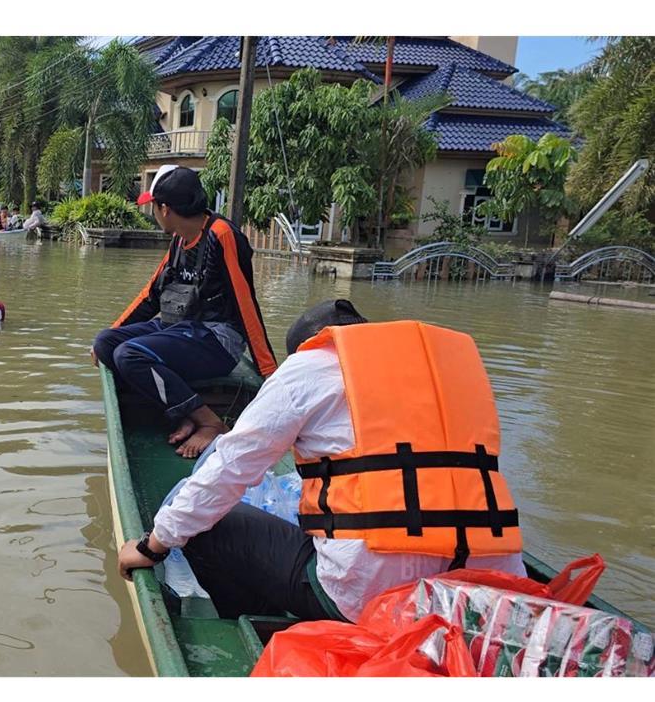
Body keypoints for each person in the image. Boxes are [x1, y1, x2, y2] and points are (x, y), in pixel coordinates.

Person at [117, 299, 526, 624]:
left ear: (312, 345)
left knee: (207, 526)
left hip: (368, 602)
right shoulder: (446, 374)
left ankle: (257, 620)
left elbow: (229, 467)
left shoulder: (309, 366)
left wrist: (154, 545)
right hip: (484, 594)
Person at [92, 165, 277, 458]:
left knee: (129, 355)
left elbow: (246, 304)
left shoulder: (221, 235)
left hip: (217, 339)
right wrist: (112, 331)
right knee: (106, 343)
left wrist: (270, 373)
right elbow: (151, 296)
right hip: (178, 329)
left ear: (165, 209)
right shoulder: (179, 239)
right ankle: (184, 412)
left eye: (152, 207)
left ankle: (209, 422)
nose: (151, 213)